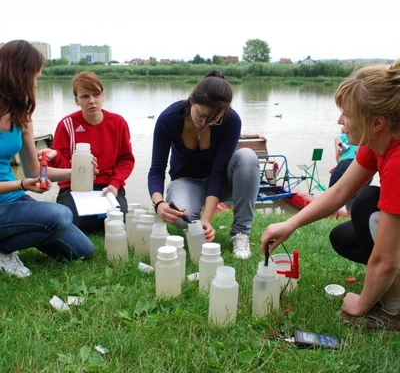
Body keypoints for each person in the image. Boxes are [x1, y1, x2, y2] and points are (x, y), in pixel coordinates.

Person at [261, 59, 400, 330]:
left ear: (377, 123)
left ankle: (394, 311)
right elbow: (338, 191)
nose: (339, 121)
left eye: (346, 114)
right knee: (344, 237)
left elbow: (386, 260)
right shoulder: (377, 142)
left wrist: (361, 304)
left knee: (365, 205)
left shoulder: (397, 161)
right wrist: (290, 223)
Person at [0, 40, 94, 278]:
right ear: (19, 74)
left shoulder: (22, 115)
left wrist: (78, 171)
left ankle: (6, 242)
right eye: (35, 76)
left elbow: (34, 172)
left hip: (14, 200)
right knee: (61, 214)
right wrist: (21, 184)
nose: (36, 83)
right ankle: (5, 248)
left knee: (83, 250)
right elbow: (25, 181)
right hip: (8, 198)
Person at [148, 69, 260, 259]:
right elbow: (156, 169)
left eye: (214, 119)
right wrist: (158, 202)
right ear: (192, 100)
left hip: (223, 179)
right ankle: (195, 223)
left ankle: (241, 233)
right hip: (186, 180)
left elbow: (218, 173)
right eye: (201, 115)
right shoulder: (168, 119)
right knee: (183, 220)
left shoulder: (232, 121)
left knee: (247, 157)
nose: (204, 123)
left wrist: (207, 218)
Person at [45, 71, 135, 234]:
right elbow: (61, 168)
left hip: (108, 186)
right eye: (85, 96)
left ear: (103, 95)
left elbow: (126, 160)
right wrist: (57, 157)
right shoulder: (67, 125)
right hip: (74, 188)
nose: (92, 101)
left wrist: (115, 184)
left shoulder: (118, 123)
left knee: (118, 219)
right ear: (76, 100)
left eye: (96, 94)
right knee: (81, 222)